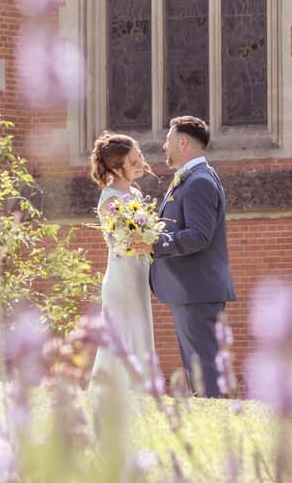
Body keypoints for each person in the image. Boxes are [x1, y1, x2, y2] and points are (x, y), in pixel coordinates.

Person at [149, 114, 234, 397]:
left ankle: (216, 419)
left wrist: (154, 244)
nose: (164, 146)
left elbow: (199, 235)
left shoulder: (199, 181)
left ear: (183, 142)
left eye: (168, 139)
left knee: (205, 365)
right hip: (189, 289)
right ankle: (207, 418)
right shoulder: (191, 179)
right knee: (196, 366)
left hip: (197, 289)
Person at [89, 132, 160, 396]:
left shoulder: (137, 194)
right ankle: (114, 391)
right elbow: (117, 242)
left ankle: (142, 389)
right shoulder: (110, 200)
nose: (140, 163)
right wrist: (140, 238)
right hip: (122, 275)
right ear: (117, 167)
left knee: (140, 325)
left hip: (139, 272)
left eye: (139, 156)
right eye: (133, 161)